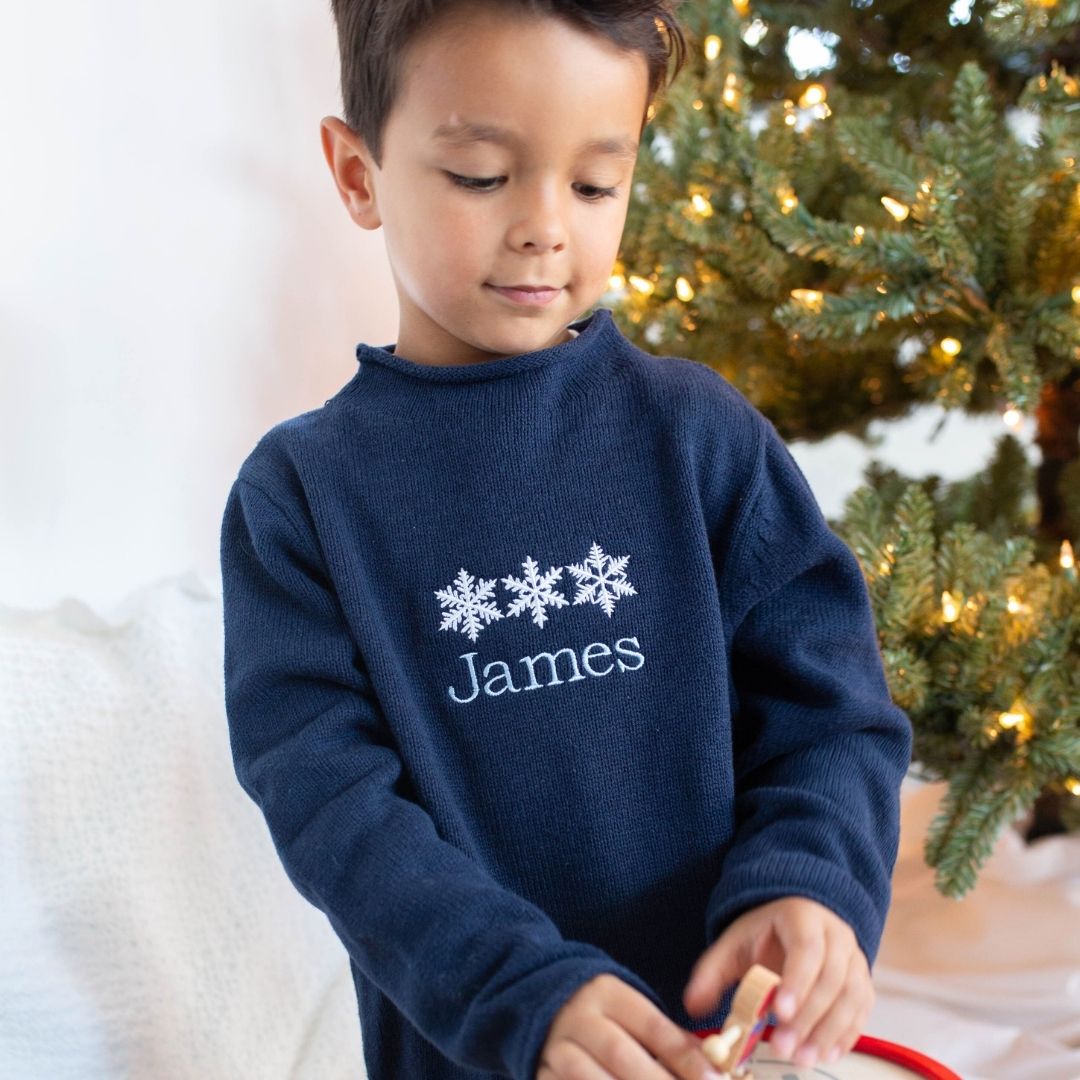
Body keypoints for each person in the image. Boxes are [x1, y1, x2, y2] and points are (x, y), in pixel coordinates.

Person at [218, 1, 913, 1078]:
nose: (547, 224)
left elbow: (834, 710)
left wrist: (809, 884)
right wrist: (520, 994)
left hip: (727, 1052)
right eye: (484, 176)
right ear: (358, 174)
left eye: (596, 184)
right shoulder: (302, 496)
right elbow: (332, 809)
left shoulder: (701, 436)